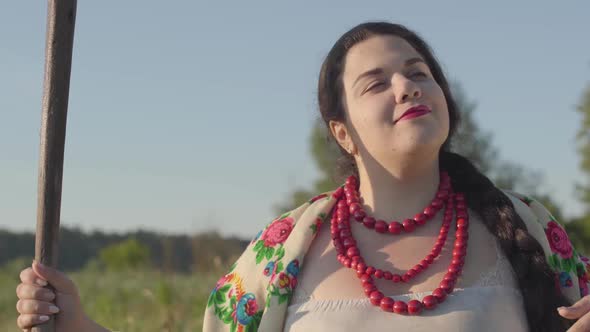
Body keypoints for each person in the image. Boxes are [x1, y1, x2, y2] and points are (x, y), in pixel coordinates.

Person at [14, 21, 590, 332]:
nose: (407, 86)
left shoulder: (526, 226)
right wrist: (78, 326)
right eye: (376, 82)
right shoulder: (285, 248)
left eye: (419, 73)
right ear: (342, 133)